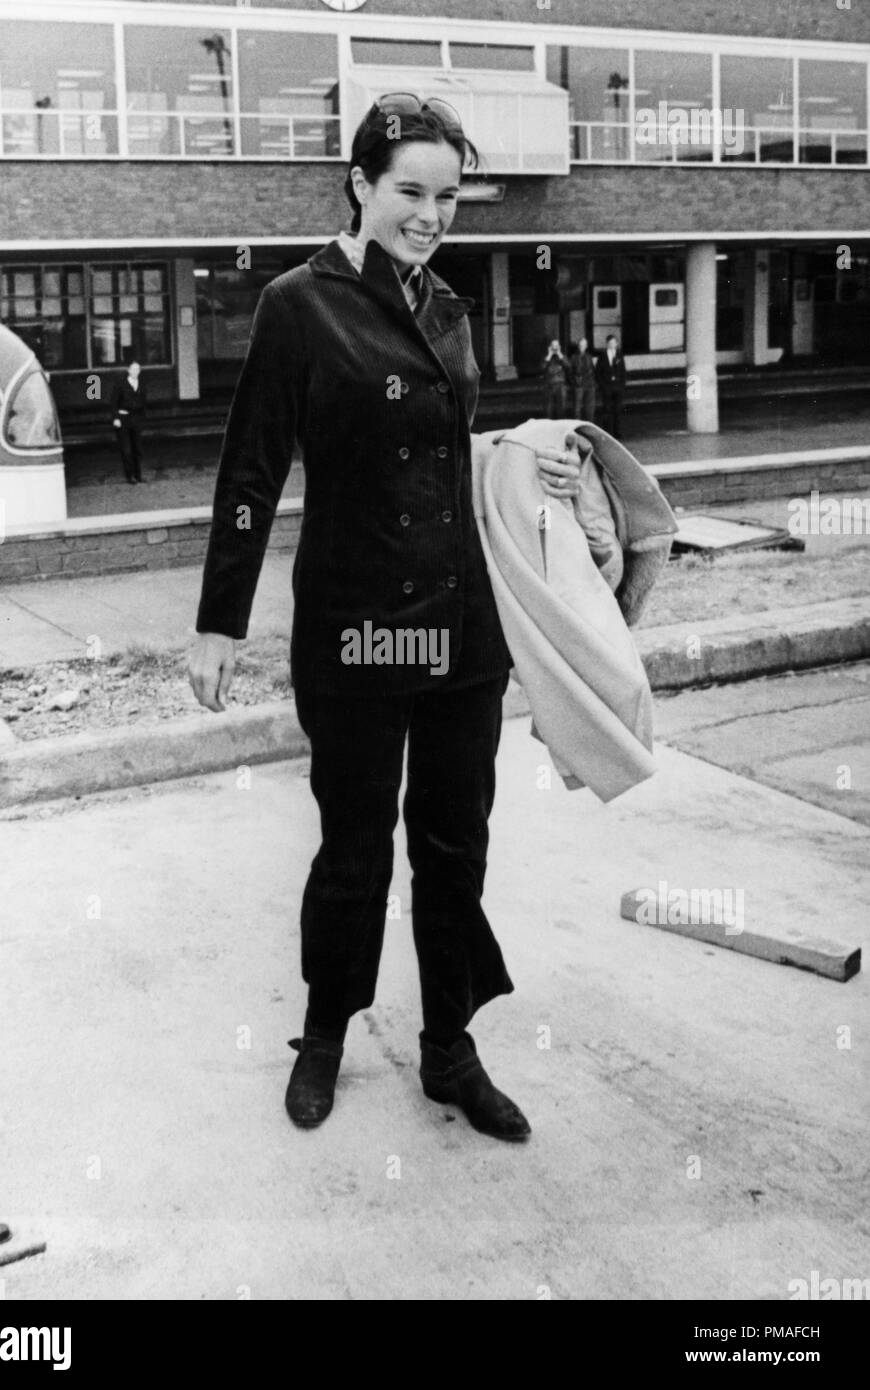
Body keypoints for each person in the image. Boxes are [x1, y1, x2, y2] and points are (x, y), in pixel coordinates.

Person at [187, 94, 583, 1141]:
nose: (430, 214)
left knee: (454, 846)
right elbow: (252, 467)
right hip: (358, 626)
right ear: (360, 184)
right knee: (354, 846)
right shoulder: (296, 305)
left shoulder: (448, 307)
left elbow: (447, 453)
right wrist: (219, 619)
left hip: (460, 626)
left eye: (448, 197)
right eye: (411, 190)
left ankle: (449, 1048)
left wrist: (521, 463)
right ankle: (325, 1034)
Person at [111, 359, 147, 484]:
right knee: (127, 450)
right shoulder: (120, 384)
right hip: (123, 420)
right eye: (133, 369)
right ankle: (130, 476)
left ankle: (138, 475)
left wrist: (142, 419)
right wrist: (116, 418)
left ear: (140, 371)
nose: (135, 371)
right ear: (129, 370)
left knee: (137, 449)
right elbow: (113, 403)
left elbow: (144, 403)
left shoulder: (142, 385)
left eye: (138, 369)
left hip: (136, 420)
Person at [595, 333, 627, 439]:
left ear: (616, 344)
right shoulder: (602, 356)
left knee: (617, 410)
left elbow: (623, 371)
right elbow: (598, 372)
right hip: (607, 387)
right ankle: (607, 433)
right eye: (610, 343)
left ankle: (617, 432)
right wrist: (602, 386)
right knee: (607, 410)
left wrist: (622, 385)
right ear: (607, 344)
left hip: (618, 387)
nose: (612, 345)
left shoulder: (619, 355)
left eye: (614, 343)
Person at [569, 336, 596, 421]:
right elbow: (570, 373)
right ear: (578, 346)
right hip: (579, 385)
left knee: (590, 408)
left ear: (586, 346)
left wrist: (593, 383)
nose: (582, 347)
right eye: (580, 345)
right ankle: (578, 426)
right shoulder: (573, 357)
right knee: (577, 409)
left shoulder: (589, 356)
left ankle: (589, 424)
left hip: (590, 385)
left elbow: (592, 370)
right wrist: (575, 383)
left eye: (583, 345)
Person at [542, 337, 569, 419]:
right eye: (553, 346)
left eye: (556, 346)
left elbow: (568, 366)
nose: (555, 348)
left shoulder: (562, 357)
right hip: (549, 385)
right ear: (550, 347)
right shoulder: (547, 357)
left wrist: (559, 354)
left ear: (559, 346)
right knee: (548, 410)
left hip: (560, 385)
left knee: (561, 409)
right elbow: (542, 367)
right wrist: (549, 354)